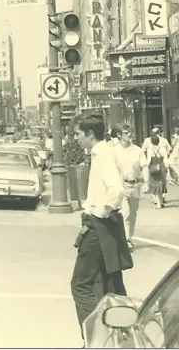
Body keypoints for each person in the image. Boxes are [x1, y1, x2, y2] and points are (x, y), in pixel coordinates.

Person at [70, 114, 131, 339]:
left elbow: (116, 190)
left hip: (98, 225)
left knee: (81, 285)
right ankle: (122, 333)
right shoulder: (106, 152)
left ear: (90, 134)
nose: (76, 138)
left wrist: (101, 211)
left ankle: (95, 338)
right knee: (111, 284)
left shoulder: (102, 155)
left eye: (78, 134)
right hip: (105, 226)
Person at [113, 125, 145, 251]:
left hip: (135, 185)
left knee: (133, 213)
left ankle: (129, 237)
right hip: (122, 185)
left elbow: (144, 166)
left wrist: (146, 182)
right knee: (125, 213)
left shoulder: (137, 150)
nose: (129, 134)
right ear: (119, 135)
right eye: (126, 132)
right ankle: (125, 240)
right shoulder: (114, 150)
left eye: (130, 131)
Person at [144, 133, 168, 209]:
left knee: (155, 185)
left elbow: (148, 160)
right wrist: (167, 169)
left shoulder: (150, 149)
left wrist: (146, 167)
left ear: (151, 141)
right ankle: (161, 201)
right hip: (162, 167)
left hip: (154, 168)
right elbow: (166, 160)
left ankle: (158, 203)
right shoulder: (163, 149)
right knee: (161, 184)